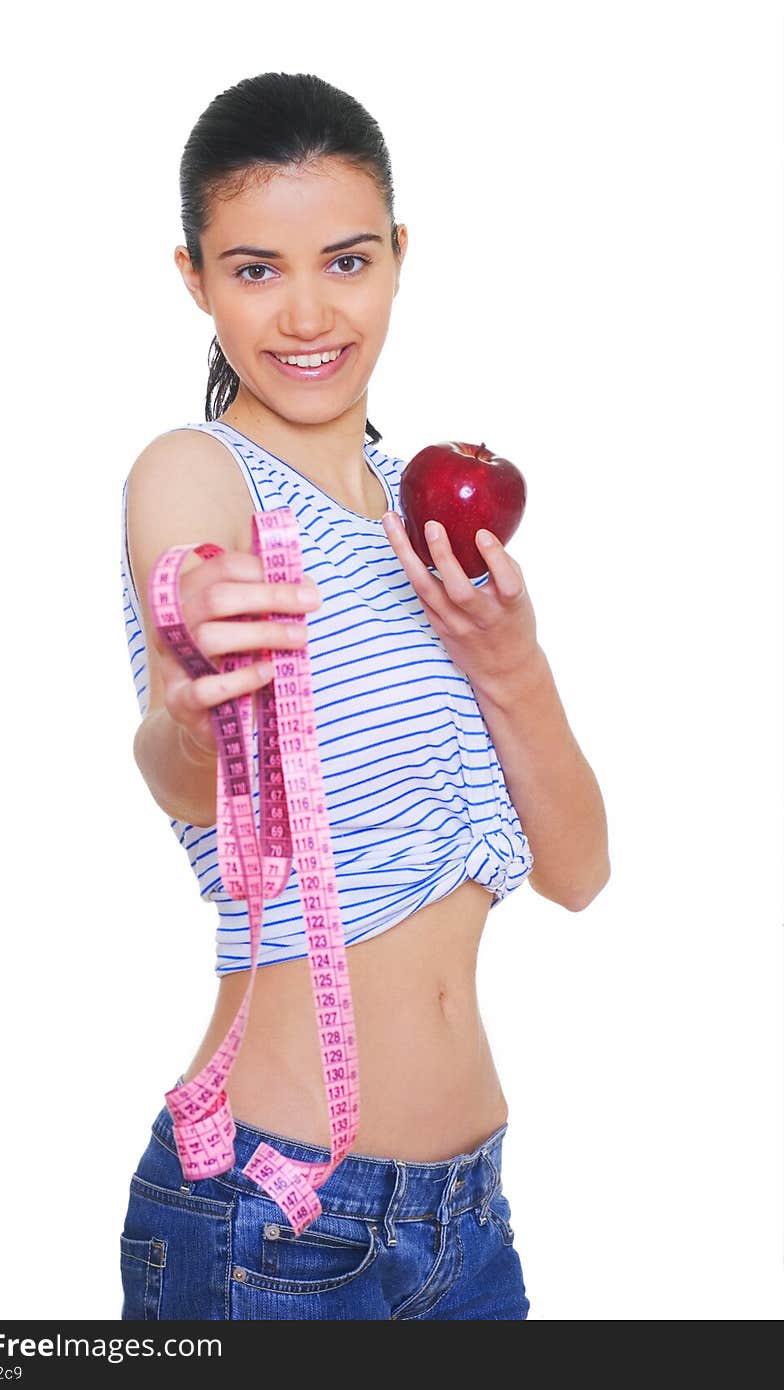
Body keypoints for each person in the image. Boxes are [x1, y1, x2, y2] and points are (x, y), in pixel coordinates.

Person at [118, 71, 610, 1322]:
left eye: (344, 260)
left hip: (471, 1225)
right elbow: (187, 745)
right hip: (274, 1227)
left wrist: (509, 662)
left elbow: (579, 870)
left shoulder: (427, 518)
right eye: (253, 269)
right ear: (193, 277)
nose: (305, 314)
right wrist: (189, 704)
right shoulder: (198, 473)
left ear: (399, 254)